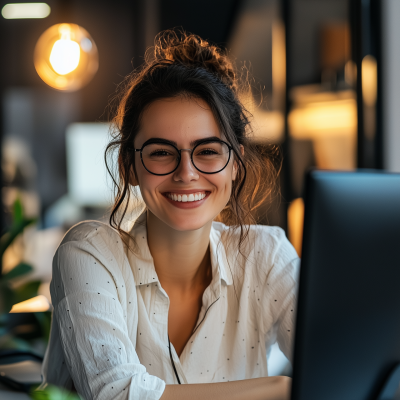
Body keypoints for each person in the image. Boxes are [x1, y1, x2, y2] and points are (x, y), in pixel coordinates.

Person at [40, 30, 299, 400]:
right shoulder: (89, 254)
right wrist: (281, 388)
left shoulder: (268, 255)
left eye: (208, 151)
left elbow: (335, 364)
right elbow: (118, 394)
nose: (186, 173)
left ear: (236, 164)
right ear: (129, 165)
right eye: (162, 152)